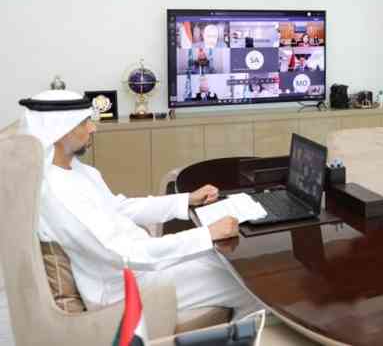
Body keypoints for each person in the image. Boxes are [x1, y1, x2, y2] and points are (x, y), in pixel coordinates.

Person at [18, 90, 264, 318]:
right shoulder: (57, 194)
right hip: (121, 288)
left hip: (140, 266)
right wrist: (207, 234)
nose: (93, 128)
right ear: (61, 131)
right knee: (251, 286)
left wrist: (186, 199)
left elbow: (120, 208)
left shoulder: (76, 170)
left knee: (231, 263)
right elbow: (123, 253)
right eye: (84, 122)